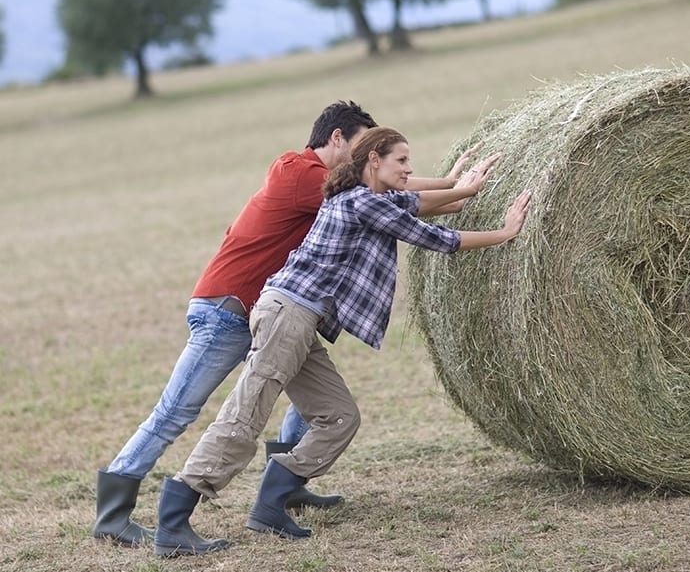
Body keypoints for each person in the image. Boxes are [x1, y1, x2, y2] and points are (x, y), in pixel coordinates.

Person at [92, 101, 478, 547]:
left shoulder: (340, 185)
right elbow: (393, 201)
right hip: (229, 309)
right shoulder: (301, 173)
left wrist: (455, 187)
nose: (367, 157)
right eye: (360, 147)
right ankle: (113, 514)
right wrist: (455, 185)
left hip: (277, 308)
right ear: (336, 139)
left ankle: (285, 489)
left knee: (314, 401)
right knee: (176, 411)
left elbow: (391, 200)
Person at [152, 126, 532, 557]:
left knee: (338, 416)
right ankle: (174, 521)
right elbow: (438, 238)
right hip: (285, 316)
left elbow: (430, 204)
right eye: (402, 161)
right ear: (374, 161)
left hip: (298, 319)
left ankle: (271, 503)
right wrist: (505, 233)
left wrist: (462, 185)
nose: (409, 168)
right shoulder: (360, 202)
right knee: (245, 416)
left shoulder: (367, 199)